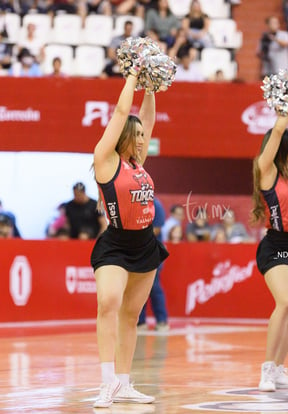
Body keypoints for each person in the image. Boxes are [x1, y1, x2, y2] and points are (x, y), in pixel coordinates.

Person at [90, 71, 169, 408]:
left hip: (145, 245)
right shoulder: (106, 160)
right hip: (116, 244)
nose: (142, 139)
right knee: (109, 301)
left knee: (131, 315)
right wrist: (133, 77)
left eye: (142, 135)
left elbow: (147, 118)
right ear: (123, 135)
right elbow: (123, 114)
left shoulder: (138, 162)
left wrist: (151, 87)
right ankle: (107, 383)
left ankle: (124, 382)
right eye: (136, 135)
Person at [251, 111, 288, 391]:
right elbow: (277, 135)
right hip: (275, 244)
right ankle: (266, 370)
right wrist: (283, 110)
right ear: (278, 150)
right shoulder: (267, 171)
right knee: (285, 301)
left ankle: (278, 368)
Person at [137, 197, 169, 331]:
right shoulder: (135, 204)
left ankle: (162, 321)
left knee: (154, 286)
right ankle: (140, 321)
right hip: (138, 251)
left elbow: (156, 229)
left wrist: (134, 237)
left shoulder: (156, 205)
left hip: (152, 251)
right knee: (138, 288)